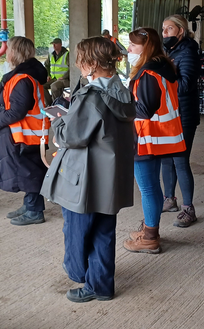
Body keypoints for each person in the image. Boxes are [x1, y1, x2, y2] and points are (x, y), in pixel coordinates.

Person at [41, 37, 136, 303]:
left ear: (92, 64)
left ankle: (81, 274)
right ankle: (101, 285)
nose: (80, 67)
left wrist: (58, 122)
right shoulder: (123, 91)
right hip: (111, 177)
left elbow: (72, 137)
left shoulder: (91, 96)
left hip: (84, 178)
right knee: (104, 231)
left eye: (82, 62)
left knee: (77, 231)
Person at [124, 27, 186, 254]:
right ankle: (151, 229)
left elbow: (144, 109)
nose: (129, 49)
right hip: (158, 137)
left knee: (148, 189)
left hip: (146, 137)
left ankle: (150, 237)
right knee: (152, 188)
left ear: (146, 47)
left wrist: (120, 104)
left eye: (133, 45)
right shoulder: (162, 67)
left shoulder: (149, 73)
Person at [0, 36, 50, 226]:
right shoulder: (27, 75)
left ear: (15, 53)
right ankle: (30, 205)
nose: (6, 53)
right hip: (30, 134)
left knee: (29, 173)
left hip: (26, 136)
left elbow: (16, 111)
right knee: (29, 171)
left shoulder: (22, 79)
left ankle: (34, 211)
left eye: (8, 50)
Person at [159, 15, 200, 227]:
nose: (165, 33)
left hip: (184, 115)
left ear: (181, 31)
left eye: (169, 29)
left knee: (180, 161)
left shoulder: (189, 52)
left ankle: (188, 209)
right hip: (169, 114)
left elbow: (185, 86)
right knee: (166, 160)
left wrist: (166, 74)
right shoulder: (171, 52)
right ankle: (169, 199)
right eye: (163, 29)